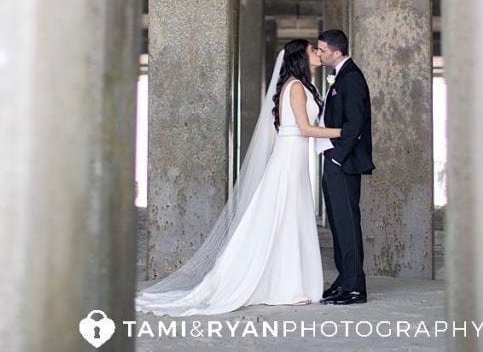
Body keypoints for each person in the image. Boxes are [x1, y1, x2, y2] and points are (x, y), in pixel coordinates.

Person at [135, 39, 343, 316]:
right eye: (312, 50)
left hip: (295, 156)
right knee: (285, 216)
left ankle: (287, 283)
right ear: (300, 57)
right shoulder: (295, 86)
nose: (317, 53)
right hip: (289, 157)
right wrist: (343, 132)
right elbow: (305, 129)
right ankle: (285, 287)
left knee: (288, 217)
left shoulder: (300, 85)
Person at [316, 28, 374, 305]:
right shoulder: (341, 75)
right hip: (335, 160)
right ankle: (344, 281)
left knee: (347, 225)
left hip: (343, 162)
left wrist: (337, 157)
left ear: (337, 52)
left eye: (322, 50)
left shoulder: (351, 78)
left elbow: (355, 124)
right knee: (338, 225)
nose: (319, 54)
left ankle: (354, 288)